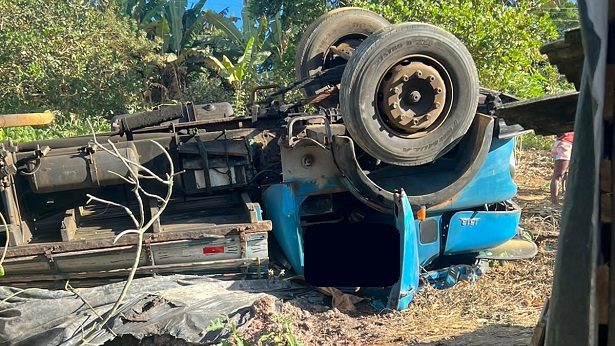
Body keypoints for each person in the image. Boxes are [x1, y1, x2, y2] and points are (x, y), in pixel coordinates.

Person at [550, 132, 574, 205]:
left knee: (566, 174)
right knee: (558, 175)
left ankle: (563, 195)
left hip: (566, 145)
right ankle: (554, 202)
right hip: (565, 145)